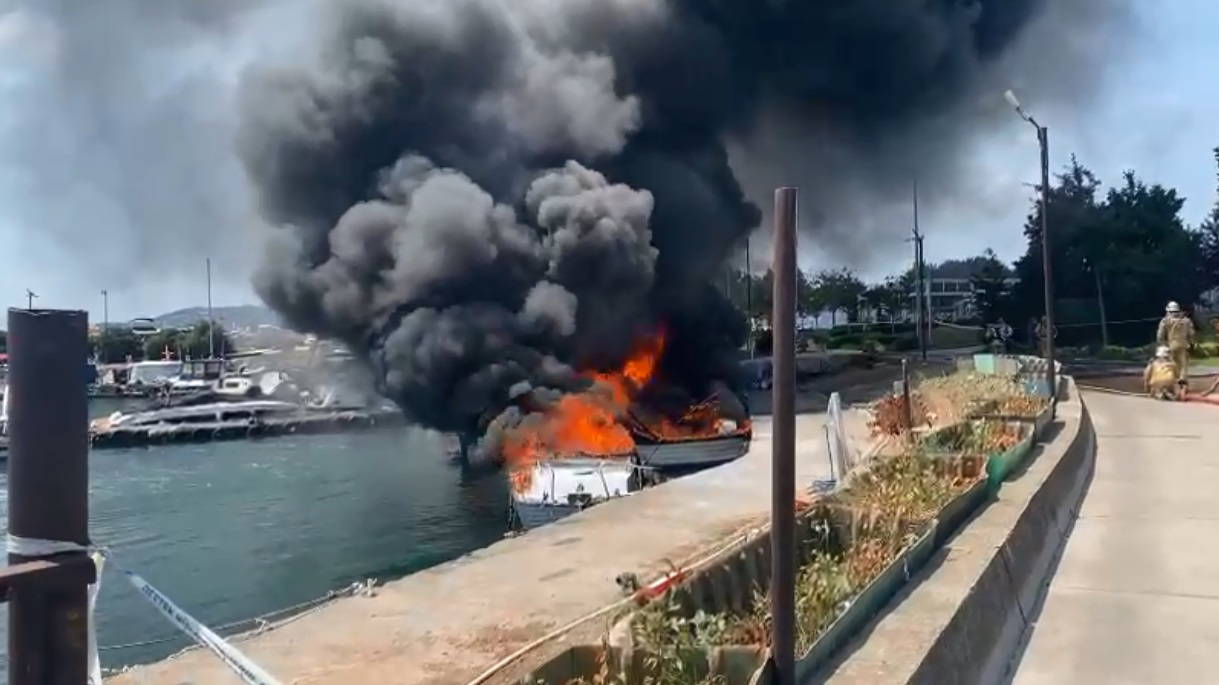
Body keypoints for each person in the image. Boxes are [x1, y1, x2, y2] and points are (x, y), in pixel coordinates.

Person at [1156, 301, 1195, 391]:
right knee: (1183, 365)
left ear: (1169, 310)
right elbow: (1192, 334)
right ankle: (1182, 381)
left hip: (1171, 346)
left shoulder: (1165, 321)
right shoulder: (1186, 321)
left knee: (1172, 365)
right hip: (1184, 345)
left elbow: (1160, 335)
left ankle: (1171, 383)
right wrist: (1192, 343)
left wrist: (1162, 345)